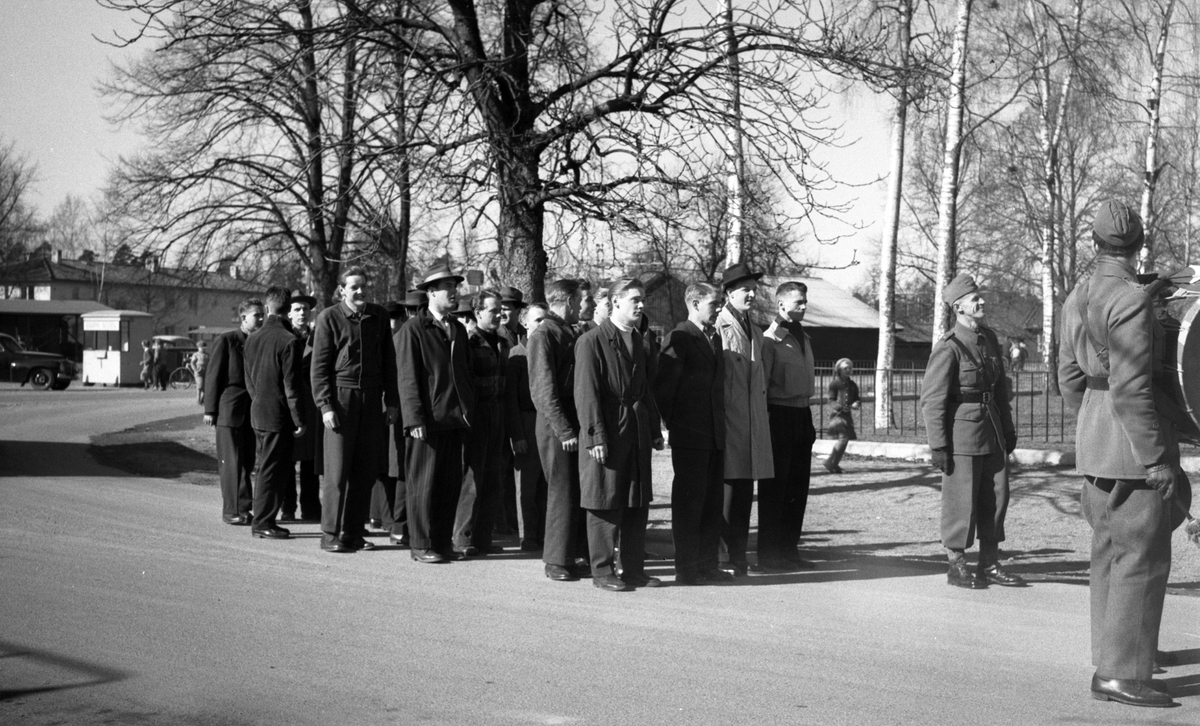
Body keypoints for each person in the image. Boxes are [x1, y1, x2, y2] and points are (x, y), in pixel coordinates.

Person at [1059, 200, 1192, 708]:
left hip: (1096, 443)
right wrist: (1155, 458)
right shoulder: (1131, 299)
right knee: (1142, 556)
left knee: (1109, 553)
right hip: (1133, 449)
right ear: (1138, 246)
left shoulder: (1078, 295)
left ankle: (1113, 652)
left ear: (1094, 243)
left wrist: (1095, 422)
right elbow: (1133, 387)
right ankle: (1120, 673)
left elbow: (1068, 377)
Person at [921, 273, 1021, 590]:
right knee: (961, 500)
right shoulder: (948, 346)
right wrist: (938, 446)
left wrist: (1007, 428)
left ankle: (989, 563)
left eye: (980, 297)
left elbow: (999, 390)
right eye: (975, 299)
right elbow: (933, 400)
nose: (982, 302)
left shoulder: (988, 338)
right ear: (959, 308)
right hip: (962, 435)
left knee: (997, 498)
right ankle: (957, 564)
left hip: (992, 429)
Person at [576, 278, 664, 592]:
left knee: (636, 501)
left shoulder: (639, 340)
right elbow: (586, 393)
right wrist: (596, 436)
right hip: (609, 430)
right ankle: (602, 571)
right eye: (634, 299)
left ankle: (634, 570)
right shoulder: (591, 341)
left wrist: (654, 429)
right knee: (605, 500)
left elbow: (645, 390)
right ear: (615, 302)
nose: (641, 305)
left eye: (643, 300)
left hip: (636, 430)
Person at [311, 267, 400, 554]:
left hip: (372, 400)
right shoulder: (329, 318)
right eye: (354, 287)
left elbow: (389, 362)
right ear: (342, 291)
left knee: (365, 471)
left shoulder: (379, 316)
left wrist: (392, 401)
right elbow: (319, 368)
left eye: (363, 286)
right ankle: (330, 533)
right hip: (341, 400)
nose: (360, 291)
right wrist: (326, 406)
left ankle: (353, 532)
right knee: (337, 472)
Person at [653, 281, 734, 585]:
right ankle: (687, 570)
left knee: (711, 503)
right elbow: (663, 389)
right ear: (696, 304)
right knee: (689, 505)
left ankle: (708, 566)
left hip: (714, 435)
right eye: (714, 304)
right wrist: (676, 425)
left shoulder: (713, 337)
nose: (719, 309)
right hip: (691, 436)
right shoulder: (680, 337)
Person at [396, 261, 475, 564]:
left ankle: (442, 543)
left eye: (456, 287)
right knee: (422, 486)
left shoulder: (457, 329)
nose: (455, 292)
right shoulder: (413, 329)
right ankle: (420, 544)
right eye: (448, 287)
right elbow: (407, 378)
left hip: (453, 420)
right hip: (426, 423)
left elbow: (464, 373)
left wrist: (467, 410)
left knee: (448, 486)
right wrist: (414, 418)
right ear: (431, 292)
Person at [714, 262, 773, 577]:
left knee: (744, 492)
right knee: (728, 491)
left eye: (753, 289)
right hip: (729, 420)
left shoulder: (755, 330)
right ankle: (723, 558)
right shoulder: (719, 326)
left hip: (751, 422)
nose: (751, 294)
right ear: (729, 293)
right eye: (744, 290)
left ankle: (738, 556)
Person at [529, 278, 589, 581]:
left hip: (571, 423)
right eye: (580, 300)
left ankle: (572, 554)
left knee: (574, 491)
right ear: (568, 301)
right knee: (561, 492)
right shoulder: (544, 334)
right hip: (556, 426)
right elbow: (543, 390)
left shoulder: (567, 331)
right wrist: (564, 430)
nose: (584, 305)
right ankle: (555, 560)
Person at [759, 281, 818, 571]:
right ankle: (769, 554)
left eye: (805, 301)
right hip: (779, 415)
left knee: (797, 488)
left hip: (802, 415)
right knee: (776, 488)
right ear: (781, 304)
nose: (804, 306)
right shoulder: (770, 340)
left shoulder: (803, 336)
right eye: (798, 302)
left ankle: (789, 550)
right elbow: (762, 385)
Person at [244, 286, 307, 540]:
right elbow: (291, 387)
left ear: (268, 307)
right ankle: (262, 521)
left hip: (259, 410)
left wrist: (258, 400)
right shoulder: (289, 340)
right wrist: (299, 418)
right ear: (288, 308)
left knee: (266, 468)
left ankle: (264, 519)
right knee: (272, 470)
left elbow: (249, 379)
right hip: (278, 414)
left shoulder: (253, 338)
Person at [452, 289, 510, 556]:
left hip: (497, 412)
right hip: (477, 414)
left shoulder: (503, 342)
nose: (499, 315)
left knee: (493, 478)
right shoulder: (468, 341)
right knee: (473, 478)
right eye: (493, 311)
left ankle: (483, 538)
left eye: (500, 310)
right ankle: (463, 539)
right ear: (477, 313)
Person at [204, 298, 264, 525]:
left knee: (247, 461)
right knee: (231, 463)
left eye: (262, 314)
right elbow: (213, 376)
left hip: (252, 411)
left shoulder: (260, 342)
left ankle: (244, 508)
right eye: (256, 315)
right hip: (229, 410)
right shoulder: (227, 341)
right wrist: (210, 410)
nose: (261, 319)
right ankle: (232, 511)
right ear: (243, 318)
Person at [506, 302, 549, 551]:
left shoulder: (548, 348)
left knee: (546, 483)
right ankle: (528, 535)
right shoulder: (517, 354)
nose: (542, 325)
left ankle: (544, 534)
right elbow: (511, 399)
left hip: (546, 421)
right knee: (527, 485)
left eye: (545, 320)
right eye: (537, 320)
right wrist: (517, 435)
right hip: (526, 422)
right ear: (524, 323)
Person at [369, 301, 410, 533]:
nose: (393, 322)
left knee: (390, 462)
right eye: (389, 317)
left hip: (394, 405)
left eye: (396, 317)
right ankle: (379, 515)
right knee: (381, 462)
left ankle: (386, 516)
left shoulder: (402, 339)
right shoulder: (380, 339)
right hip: (382, 404)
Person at [284, 293, 321, 523]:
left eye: (305, 309)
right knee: (289, 460)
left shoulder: (317, 336)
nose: (301, 313)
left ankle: (311, 507)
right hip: (291, 405)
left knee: (311, 461)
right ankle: (288, 507)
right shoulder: (284, 336)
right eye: (297, 309)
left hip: (313, 405)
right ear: (289, 313)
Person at [824, 358, 860, 474]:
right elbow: (830, 400)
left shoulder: (853, 385)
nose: (848, 370)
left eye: (850, 368)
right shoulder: (835, 383)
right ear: (839, 370)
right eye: (845, 368)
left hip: (847, 416)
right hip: (837, 416)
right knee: (843, 438)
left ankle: (833, 464)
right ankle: (830, 462)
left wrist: (856, 403)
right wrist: (840, 407)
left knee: (845, 439)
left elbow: (857, 399)